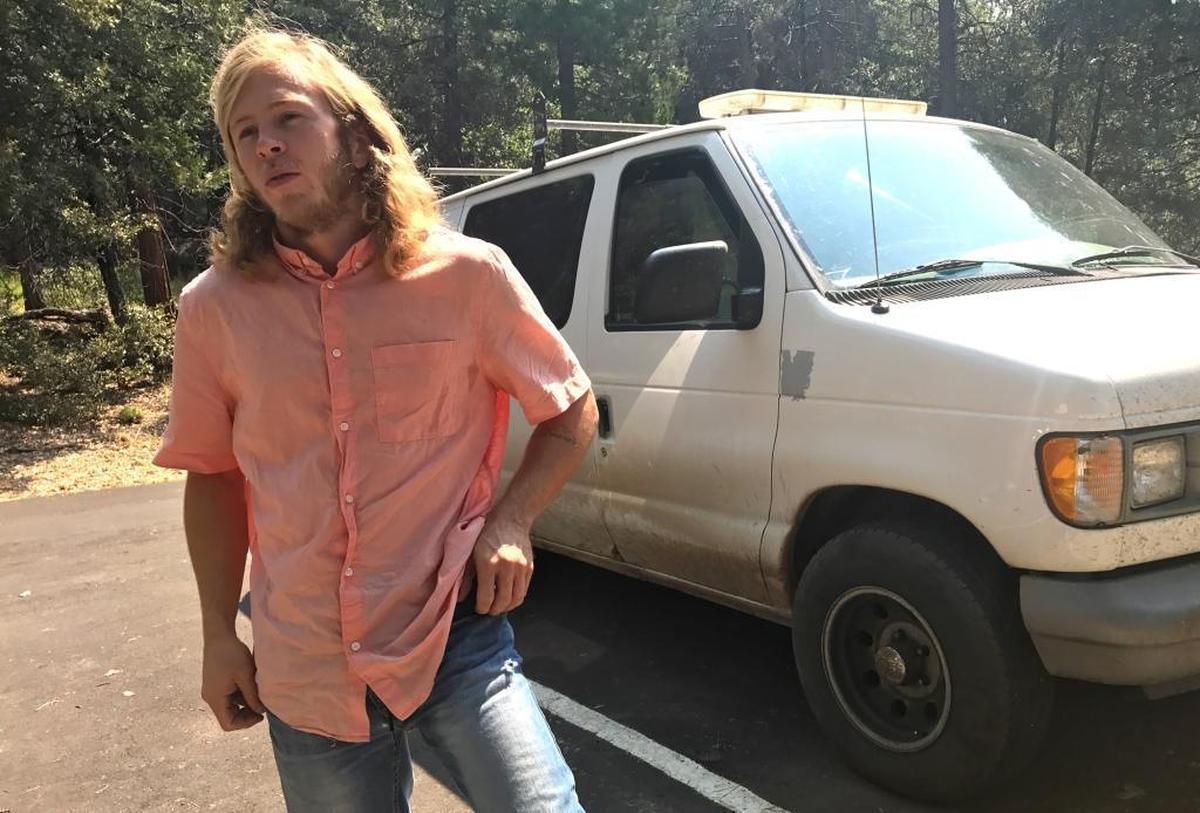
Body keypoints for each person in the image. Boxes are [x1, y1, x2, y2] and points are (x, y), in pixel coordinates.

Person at [153, 27, 597, 812]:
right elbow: (214, 476)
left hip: (452, 633)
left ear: (355, 134)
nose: (265, 146)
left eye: (287, 118)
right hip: (305, 662)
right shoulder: (212, 310)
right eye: (243, 133)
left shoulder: (466, 276)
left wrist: (512, 520)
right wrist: (219, 633)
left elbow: (569, 409)